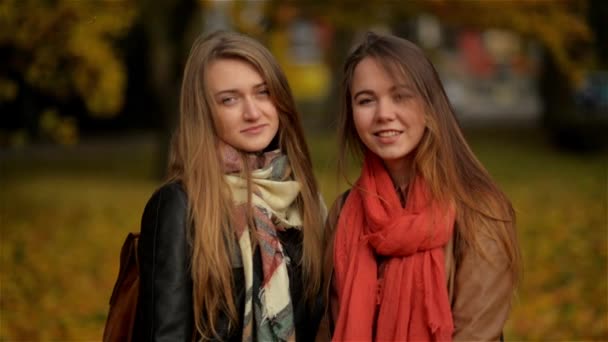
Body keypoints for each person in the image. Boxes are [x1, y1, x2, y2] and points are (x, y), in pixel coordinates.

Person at [321, 32, 521, 341]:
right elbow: (328, 327)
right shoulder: (344, 212)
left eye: (400, 96)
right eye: (366, 100)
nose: (384, 114)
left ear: (429, 105)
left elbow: (477, 334)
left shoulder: (479, 211)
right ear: (352, 114)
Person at [134, 31, 326, 341]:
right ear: (204, 112)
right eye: (229, 99)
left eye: (263, 92)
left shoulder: (302, 199)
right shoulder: (179, 205)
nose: (252, 112)